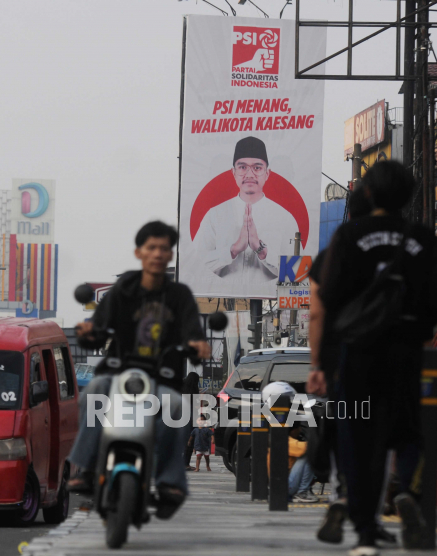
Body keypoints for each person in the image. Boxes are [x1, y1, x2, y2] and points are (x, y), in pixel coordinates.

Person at [307, 160, 437, 556]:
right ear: (410, 195)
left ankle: (366, 530)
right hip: (409, 353)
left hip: (359, 356)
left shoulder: (350, 235)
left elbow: (328, 299)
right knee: (410, 432)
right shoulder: (421, 237)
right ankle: (406, 492)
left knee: (359, 439)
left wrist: (320, 364)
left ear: (366, 193)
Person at [66, 220, 210, 520]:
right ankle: (86, 466)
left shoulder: (180, 295)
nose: (158, 254)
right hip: (117, 374)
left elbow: (193, 331)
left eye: (164, 249)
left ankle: (171, 481)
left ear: (170, 255)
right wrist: (89, 332)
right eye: (151, 248)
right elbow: (99, 325)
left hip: (162, 379)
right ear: (139, 252)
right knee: (93, 391)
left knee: (177, 408)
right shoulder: (123, 288)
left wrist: (198, 344)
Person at [195, 136, 299, 285]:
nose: (249, 175)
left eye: (257, 168)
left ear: (267, 173)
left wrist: (261, 250)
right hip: (225, 301)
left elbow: (296, 273)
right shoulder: (215, 214)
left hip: (270, 305)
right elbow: (197, 264)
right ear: (233, 172)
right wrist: (232, 250)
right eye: (243, 167)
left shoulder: (285, 217)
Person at [182, 372, 201, 470]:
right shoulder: (194, 391)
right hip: (191, 418)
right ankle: (186, 463)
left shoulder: (182, 388)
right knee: (190, 440)